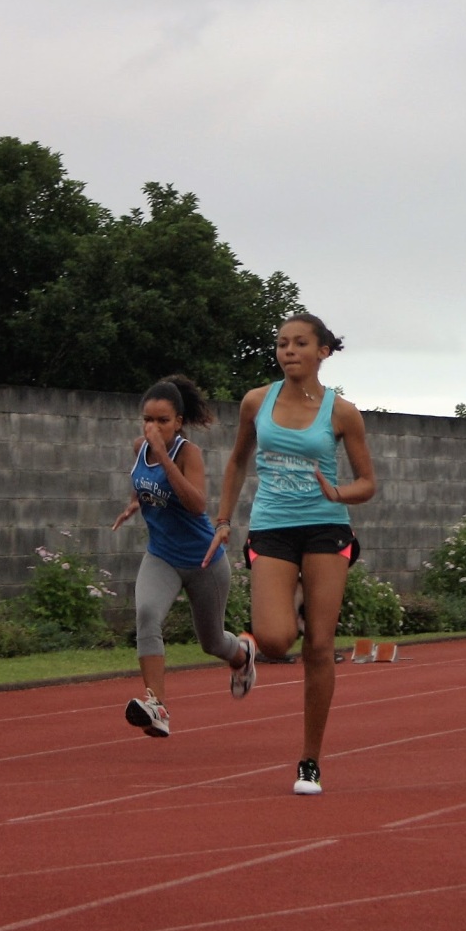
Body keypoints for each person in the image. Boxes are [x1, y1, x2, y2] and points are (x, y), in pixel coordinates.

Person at [208, 313, 376, 796]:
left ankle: (309, 761)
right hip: (273, 528)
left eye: (300, 343)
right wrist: (223, 520)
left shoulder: (343, 413)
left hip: (326, 528)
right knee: (276, 640)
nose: (289, 351)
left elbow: (367, 483)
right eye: (282, 343)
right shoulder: (256, 401)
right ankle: (251, 646)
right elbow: (237, 462)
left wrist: (338, 493)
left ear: (322, 351)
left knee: (318, 647)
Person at [113, 376, 251, 738]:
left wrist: (163, 455)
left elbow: (196, 505)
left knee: (212, 643)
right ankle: (157, 706)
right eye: (148, 419)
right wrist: (133, 503)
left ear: (178, 422)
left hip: (204, 561)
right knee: (146, 614)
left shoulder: (188, 454)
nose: (153, 427)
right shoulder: (139, 448)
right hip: (161, 557)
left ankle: (242, 655)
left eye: (162, 420)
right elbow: (141, 480)